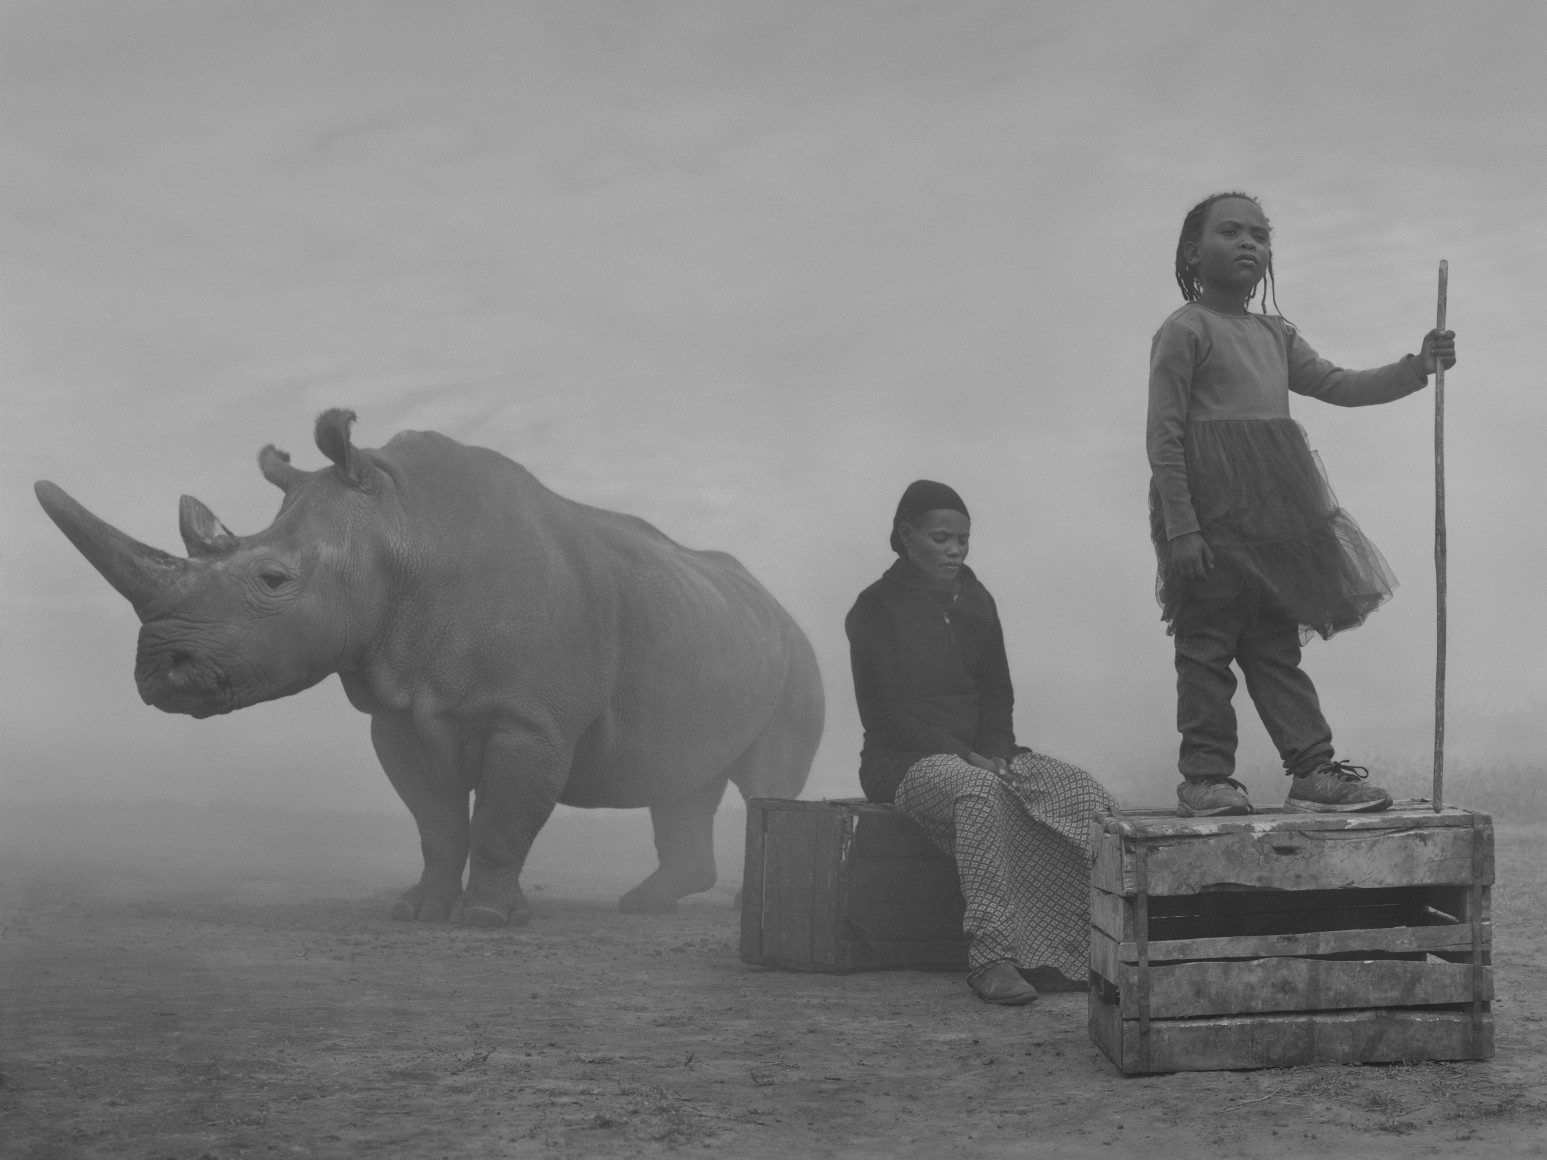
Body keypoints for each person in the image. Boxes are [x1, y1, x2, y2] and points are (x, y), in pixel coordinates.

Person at [1148, 191, 1457, 817]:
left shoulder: (1275, 334)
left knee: (1274, 647)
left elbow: (1339, 384)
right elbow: (1165, 436)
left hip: (1276, 520)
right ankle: (1205, 778)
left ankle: (1313, 771)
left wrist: (1416, 366)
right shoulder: (1185, 331)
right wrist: (1183, 528)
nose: (1248, 244)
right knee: (1206, 648)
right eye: (1231, 231)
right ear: (1192, 251)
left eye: (1260, 236)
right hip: (1208, 521)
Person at [845, 480, 1118, 1007]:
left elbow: (997, 690)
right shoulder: (873, 608)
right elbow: (882, 717)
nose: (955, 550)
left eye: (963, 540)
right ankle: (993, 959)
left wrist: (995, 749)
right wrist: (968, 758)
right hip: (903, 761)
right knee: (980, 795)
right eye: (942, 538)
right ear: (906, 536)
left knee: (1081, 792)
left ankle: (1083, 948)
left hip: (983, 754)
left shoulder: (975, 597)